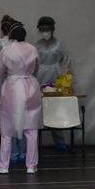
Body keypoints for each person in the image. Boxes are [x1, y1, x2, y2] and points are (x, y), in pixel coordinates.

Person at [0, 22, 42, 174]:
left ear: (11, 36)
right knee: (31, 129)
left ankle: (4, 165)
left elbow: (0, 70)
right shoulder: (33, 49)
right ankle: (31, 166)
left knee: (7, 129)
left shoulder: (7, 50)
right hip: (30, 86)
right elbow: (36, 68)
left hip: (12, 88)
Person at [35, 16, 70, 151]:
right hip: (40, 77)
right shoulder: (37, 45)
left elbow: (65, 62)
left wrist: (65, 79)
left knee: (56, 109)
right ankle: (35, 142)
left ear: (52, 29)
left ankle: (59, 141)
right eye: (42, 30)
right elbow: (34, 63)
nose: (45, 32)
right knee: (39, 109)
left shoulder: (59, 44)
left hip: (55, 77)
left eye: (47, 29)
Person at [0, 15, 26, 164]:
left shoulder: (0, 45)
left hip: (7, 86)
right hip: (24, 87)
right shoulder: (27, 48)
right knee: (23, 122)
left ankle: (13, 154)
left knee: (9, 123)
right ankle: (24, 153)